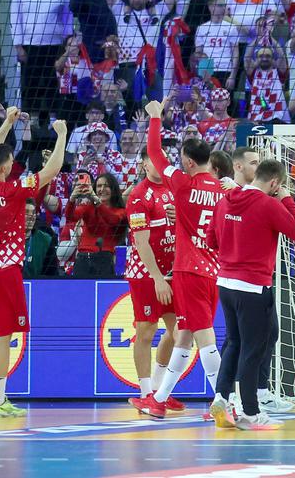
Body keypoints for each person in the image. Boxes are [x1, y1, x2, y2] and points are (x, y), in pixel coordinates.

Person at [0, 113, 69, 418]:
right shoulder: (12, 190)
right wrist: (61, 134)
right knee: (3, 336)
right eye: (10, 161)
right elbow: (52, 170)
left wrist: (7, 123)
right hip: (4, 271)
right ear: (6, 167)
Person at [138, 101, 226, 420]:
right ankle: (159, 399)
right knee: (185, 334)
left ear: (188, 162)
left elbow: (154, 152)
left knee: (205, 338)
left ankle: (224, 401)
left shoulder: (183, 183)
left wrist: (155, 118)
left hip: (189, 271)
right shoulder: (222, 190)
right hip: (213, 270)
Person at [208, 156, 295, 430]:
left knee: (233, 343)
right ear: (274, 183)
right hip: (253, 286)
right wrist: (287, 200)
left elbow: (211, 240)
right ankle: (250, 411)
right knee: (253, 350)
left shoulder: (224, 201)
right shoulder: (269, 204)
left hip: (225, 283)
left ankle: (221, 397)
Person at [122, 146, 180, 414]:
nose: (161, 163)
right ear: (145, 164)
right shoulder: (138, 196)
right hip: (146, 274)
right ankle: (145, 393)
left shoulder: (174, 187)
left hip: (173, 270)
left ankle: (159, 390)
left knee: (177, 332)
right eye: (155, 159)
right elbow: (141, 242)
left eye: (165, 159)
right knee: (146, 331)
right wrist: (157, 278)